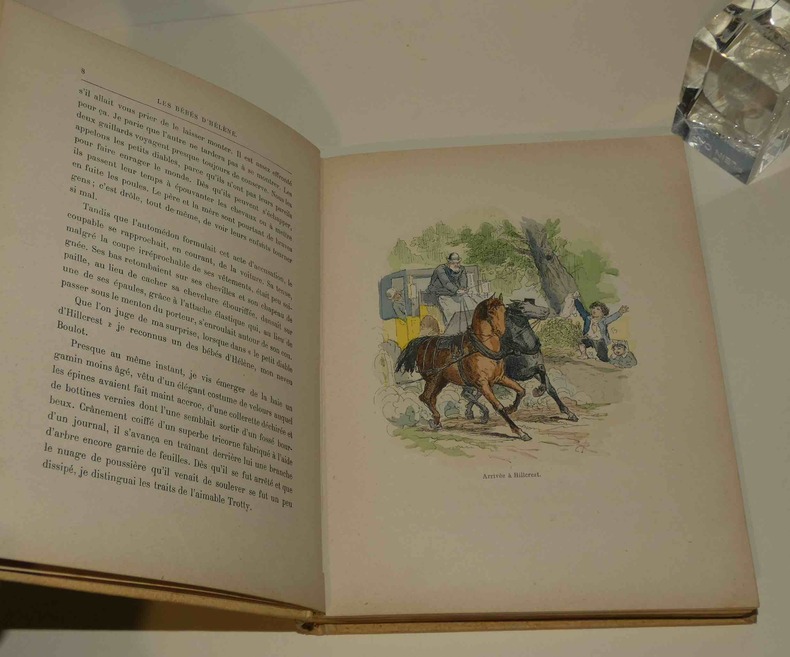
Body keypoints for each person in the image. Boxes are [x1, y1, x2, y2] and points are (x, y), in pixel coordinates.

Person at [573, 292, 629, 362]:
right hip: (589, 339)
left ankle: (604, 360)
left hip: (600, 341)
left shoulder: (603, 321)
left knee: (602, 357)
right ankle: (584, 355)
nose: (594, 310)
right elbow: (582, 310)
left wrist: (620, 312)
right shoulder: (588, 318)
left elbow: (612, 318)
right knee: (581, 341)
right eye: (593, 308)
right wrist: (576, 300)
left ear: (603, 313)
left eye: (598, 309)